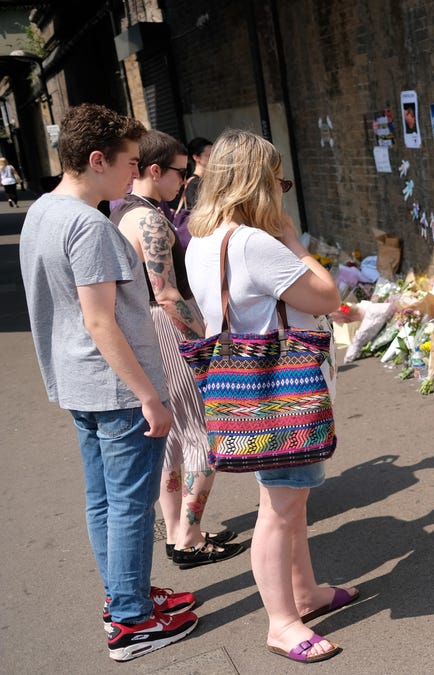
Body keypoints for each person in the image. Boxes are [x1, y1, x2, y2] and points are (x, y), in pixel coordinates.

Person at [19, 103, 198, 661]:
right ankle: (131, 620)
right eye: (129, 163)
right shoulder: (88, 225)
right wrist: (148, 396)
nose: (134, 173)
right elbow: (100, 320)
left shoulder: (42, 211)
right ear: (97, 160)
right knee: (129, 505)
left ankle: (125, 596)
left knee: (104, 501)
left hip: (79, 382)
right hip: (118, 389)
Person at [185, 129, 355, 664]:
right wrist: (295, 243)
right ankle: (281, 622)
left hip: (248, 392)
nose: (281, 193)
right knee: (279, 509)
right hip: (280, 392)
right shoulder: (253, 244)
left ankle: (304, 593)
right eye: (277, 182)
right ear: (256, 183)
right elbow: (327, 296)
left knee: (288, 500)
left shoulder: (202, 240)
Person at [111, 129, 245, 570]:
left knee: (173, 436)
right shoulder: (149, 220)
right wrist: (207, 337)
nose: (184, 182)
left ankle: (177, 531)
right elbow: (167, 294)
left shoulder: (123, 210)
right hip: (166, 328)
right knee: (205, 432)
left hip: (144, 328)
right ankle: (188, 536)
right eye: (179, 173)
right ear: (155, 170)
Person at [172, 137, 212, 250]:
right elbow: (197, 211)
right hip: (200, 236)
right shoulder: (194, 183)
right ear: (196, 157)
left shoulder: (208, 180)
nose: (213, 158)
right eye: (209, 155)